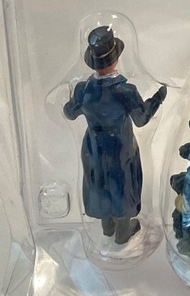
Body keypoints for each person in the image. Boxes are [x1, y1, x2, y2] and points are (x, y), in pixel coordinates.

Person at [63, 26, 167, 245]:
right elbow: (141, 118)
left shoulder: (83, 89)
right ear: (115, 59)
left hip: (93, 147)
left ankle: (107, 226)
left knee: (99, 182)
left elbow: (70, 113)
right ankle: (122, 230)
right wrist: (158, 98)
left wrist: (71, 96)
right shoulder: (124, 91)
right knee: (122, 183)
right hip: (120, 146)